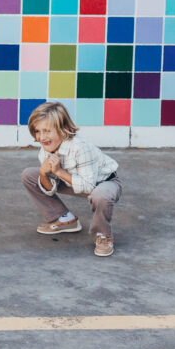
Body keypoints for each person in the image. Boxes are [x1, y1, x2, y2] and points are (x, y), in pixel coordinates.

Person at [20, 102, 123, 257]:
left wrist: (59, 171)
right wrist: (43, 173)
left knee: (99, 195)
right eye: (37, 131)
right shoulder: (45, 151)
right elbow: (50, 189)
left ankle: (103, 235)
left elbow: (89, 187)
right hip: (73, 182)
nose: (42, 137)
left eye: (47, 131)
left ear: (65, 129)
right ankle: (65, 219)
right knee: (29, 175)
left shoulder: (80, 148)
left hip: (103, 183)